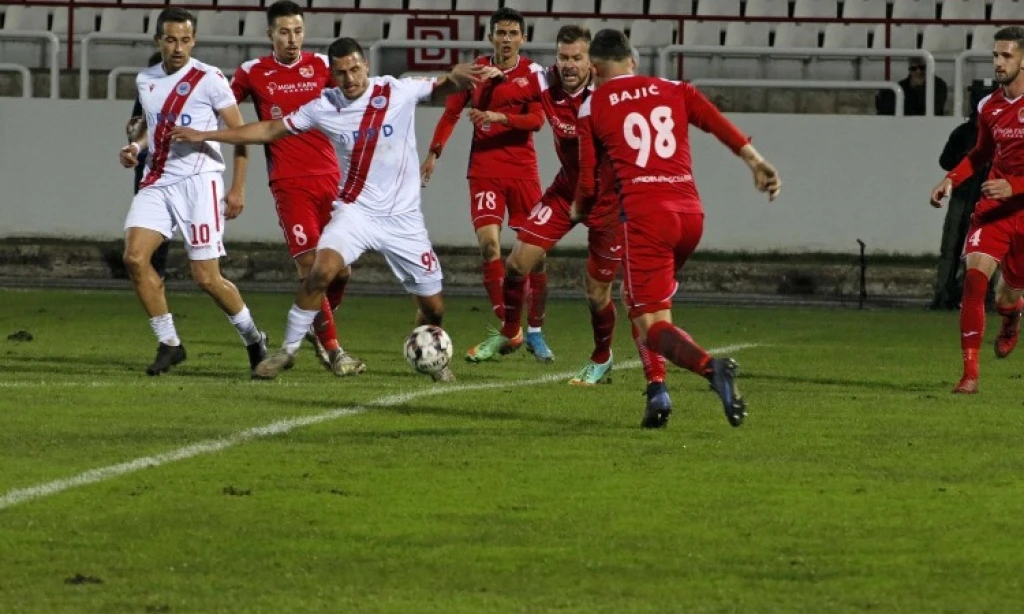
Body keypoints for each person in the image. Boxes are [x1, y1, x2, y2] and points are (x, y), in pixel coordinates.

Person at [170, 38, 497, 382]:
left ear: (366, 66)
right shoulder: (323, 106)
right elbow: (268, 129)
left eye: (355, 69)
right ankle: (288, 350)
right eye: (341, 73)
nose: (349, 78)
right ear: (333, 75)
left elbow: (442, 88)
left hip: (403, 221)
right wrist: (205, 135)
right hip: (356, 212)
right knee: (320, 271)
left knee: (434, 308)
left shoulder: (396, 90)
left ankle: (434, 357)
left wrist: (456, 77)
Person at [574, 29, 781, 429]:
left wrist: (579, 210)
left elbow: (586, 183)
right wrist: (755, 162)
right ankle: (657, 394)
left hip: (646, 219)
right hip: (689, 216)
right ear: (633, 61)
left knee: (649, 325)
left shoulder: (592, 104)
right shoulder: (674, 87)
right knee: (649, 308)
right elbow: (714, 122)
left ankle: (711, 369)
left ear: (594, 70)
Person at [463, 26, 670, 411]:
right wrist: (492, 80)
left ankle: (602, 357)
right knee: (517, 264)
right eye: (563, 57)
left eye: (577, 58)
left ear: (592, 61)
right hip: (566, 191)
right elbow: (516, 87)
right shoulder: (546, 82)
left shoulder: (609, 92)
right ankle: (511, 332)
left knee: (596, 293)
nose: (569, 65)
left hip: (608, 202)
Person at [119, 7, 267, 377]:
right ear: (158, 41)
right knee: (135, 259)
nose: (178, 47)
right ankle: (169, 343)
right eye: (171, 40)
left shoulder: (209, 79)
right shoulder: (146, 79)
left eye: (185, 40)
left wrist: (237, 188)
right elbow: (152, 128)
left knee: (206, 277)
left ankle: (253, 338)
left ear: (194, 40)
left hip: (200, 183)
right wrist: (135, 147)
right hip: (158, 180)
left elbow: (242, 134)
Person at [230, 0, 364, 377]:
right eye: (284, 32)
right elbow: (221, 104)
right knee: (310, 266)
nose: (292, 39)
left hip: (330, 178)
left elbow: (354, 96)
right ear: (270, 34)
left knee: (342, 272)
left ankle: (314, 321)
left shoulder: (321, 66)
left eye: (298, 31)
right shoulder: (252, 72)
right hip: (289, 183)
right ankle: (334, 349)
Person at [420, 7, 556, 362]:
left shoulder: (532, 74)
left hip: (523, 172)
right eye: (501, 33)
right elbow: (451, 113)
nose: (506, 39)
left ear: (523, 38)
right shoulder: (475, 72)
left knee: (537, 259)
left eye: (513, 33)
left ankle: (536, 332)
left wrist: (499, 116)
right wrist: (434, 153)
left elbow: (537, 121)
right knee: (489, 247)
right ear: (490, 37)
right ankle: (510, 328)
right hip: (484, 170)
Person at [929, 26, 1024, 395]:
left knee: (1007, 296)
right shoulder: (988, 106)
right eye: (995, 55)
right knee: (974, 279)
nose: (998, 62)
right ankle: (969, 375)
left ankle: (1011, 316)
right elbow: (981, 153)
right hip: (994, 210)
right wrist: (951, 179)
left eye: (1006, 55)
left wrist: (1015, 186)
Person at [931, 89, 991, 310]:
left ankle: (981, 296)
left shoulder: (999, 133)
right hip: (963, 195)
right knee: (951, 246)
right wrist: (963, 160)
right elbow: (945, 161)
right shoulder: (962, 133)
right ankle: (943, 294)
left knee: (984, 251)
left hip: (986, 198)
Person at [128, 51, 171, 280]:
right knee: (151, 219)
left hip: (177, 167)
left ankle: (155, 270)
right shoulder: (146, 91)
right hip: (149, 166)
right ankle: (154, 271)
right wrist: (134, 145)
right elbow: (136, 125)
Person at [876, 59, 948, 116]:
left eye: (922, 68)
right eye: (914, 68)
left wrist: (919, 88)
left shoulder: (939, 85)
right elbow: (887, 109)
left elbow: (934, 109)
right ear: (910, 70)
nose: (918, 71)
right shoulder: (901, 86)